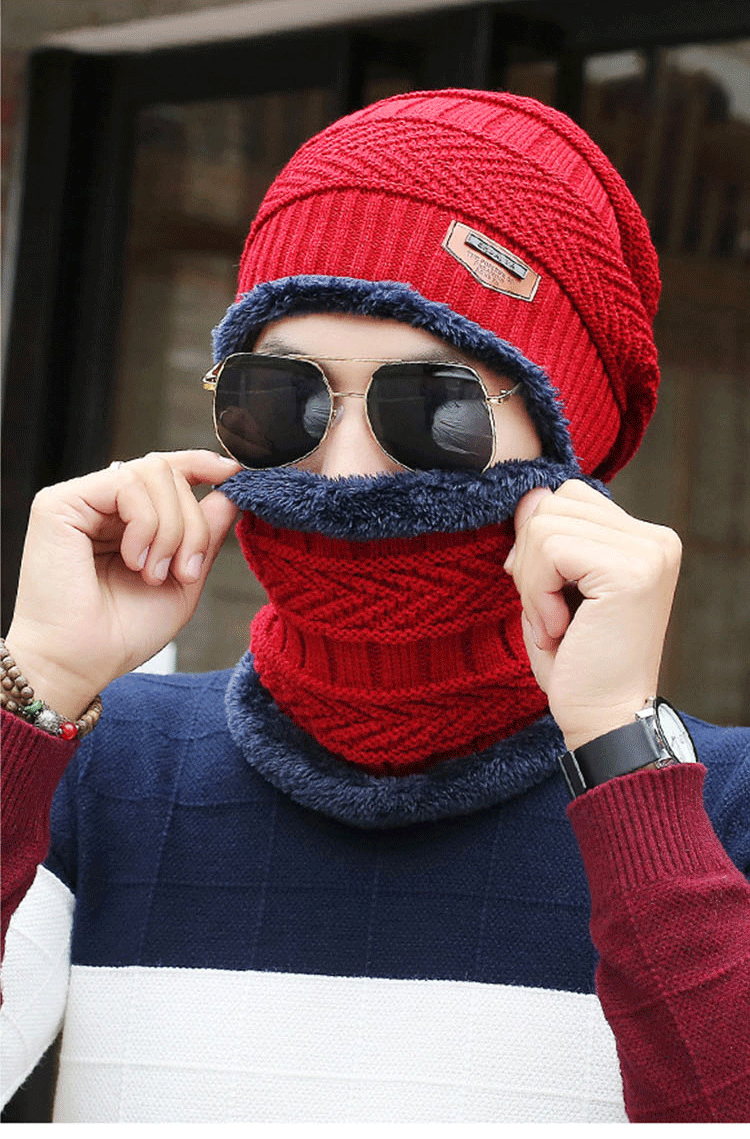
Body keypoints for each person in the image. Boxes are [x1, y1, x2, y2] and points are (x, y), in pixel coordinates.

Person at [1, 89, 749, 1124]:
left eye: (432, 407)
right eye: (282, 398)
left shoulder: (717, 811)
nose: (347, 469)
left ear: (564, 451)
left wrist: (622, 755)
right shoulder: (103, 765)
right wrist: (33, 683)